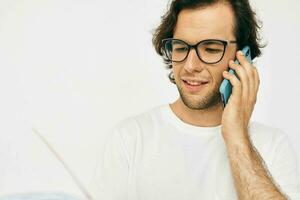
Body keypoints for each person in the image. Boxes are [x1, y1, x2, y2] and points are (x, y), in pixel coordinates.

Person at [90, 0, 300, 199]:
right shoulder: (130, 140)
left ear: (242, 57)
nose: (190, 66)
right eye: (181, 47)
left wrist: (237, 137)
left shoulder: (272, 147)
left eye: (210, 49)